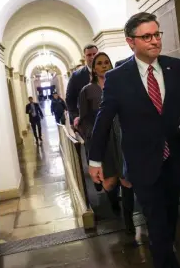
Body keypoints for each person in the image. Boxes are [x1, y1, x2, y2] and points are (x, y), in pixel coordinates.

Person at [88, 12, 180, 268]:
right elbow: (103, 121)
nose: (155, 40)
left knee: (169, 215)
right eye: (147, 36)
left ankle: (165, 251)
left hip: (174, 158)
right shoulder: (117, 77)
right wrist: (95, 159)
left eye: (157, 34)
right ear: (130, 41)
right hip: (141, 162)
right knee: (155, 221)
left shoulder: (176, 68)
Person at [78, 52, 135, 233]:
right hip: (102, 140)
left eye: (106, 62)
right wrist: (91, 136)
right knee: (110, 180)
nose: (104, 65)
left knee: (127, 178)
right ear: (94, 68)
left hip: (121, 136)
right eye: (100, 63)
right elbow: (84, 119)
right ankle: (114, 205)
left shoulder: (118, 85)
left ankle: (129, 221)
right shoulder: (87, 90)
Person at [66, 44, 98, 128]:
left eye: (94, 54)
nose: (92, 57)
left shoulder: (108, 71)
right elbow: (70, 99)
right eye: (89, 55)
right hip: (88, 122)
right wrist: (75, 117)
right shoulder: (76, 76)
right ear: (84, 57)